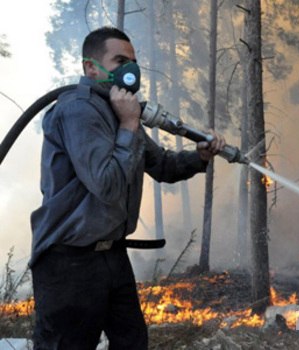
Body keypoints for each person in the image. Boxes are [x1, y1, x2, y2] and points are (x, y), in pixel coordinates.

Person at [29, 26, 225, 350]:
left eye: (133, 61)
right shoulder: (78, 110)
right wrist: (129, 124)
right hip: (69, 263)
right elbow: (106, 185)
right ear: (91, 67)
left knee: (132, 342)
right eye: (119, 60)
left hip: (112, 257)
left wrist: (200, 156)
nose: (129, 70)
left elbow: (160, 164)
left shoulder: (117, 110)